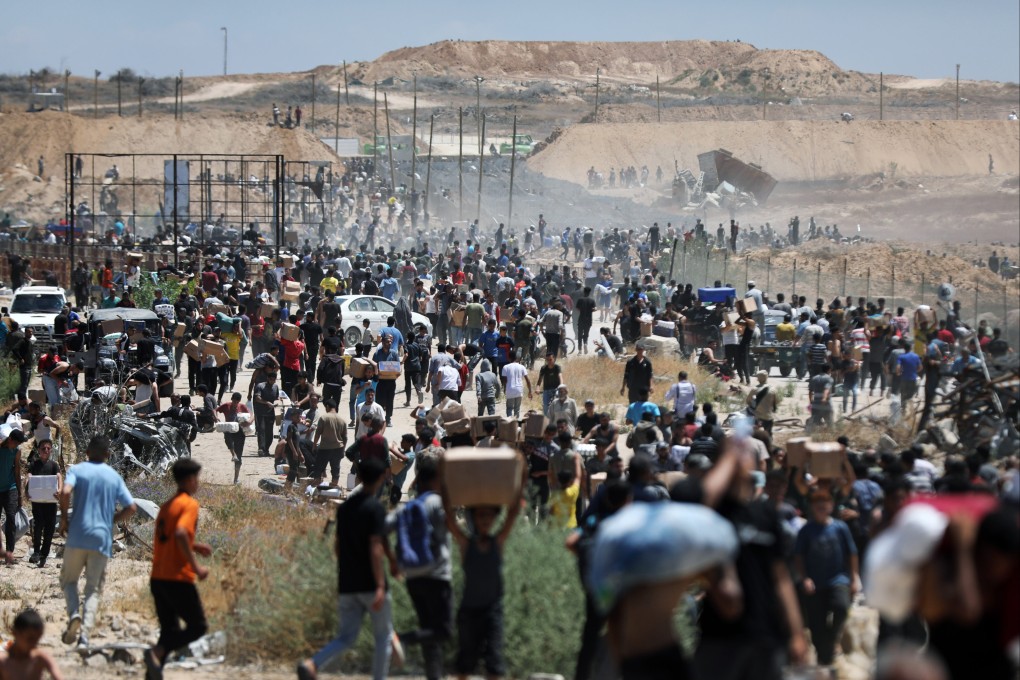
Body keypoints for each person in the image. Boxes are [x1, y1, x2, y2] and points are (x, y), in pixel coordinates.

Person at [297, 457, 397, 680]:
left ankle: (313, 664)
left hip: (348, 582)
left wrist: (345, 572)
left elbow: (338, 546)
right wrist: (380, 583)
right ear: (382, 478)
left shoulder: (345, 509)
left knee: (346, 637)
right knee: (383, 636)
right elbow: (375, 546)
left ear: (359, 477)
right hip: (370, 583)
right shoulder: (375, 509)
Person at [441, 455, 526, 680]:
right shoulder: (466, 544)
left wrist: (522, 473)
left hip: (492, 610)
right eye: (480, 516)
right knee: (464, 665)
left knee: (494, 664)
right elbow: (448, 516)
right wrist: (444, 480)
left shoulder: (498, 542)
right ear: (474, 519)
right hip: (469, 611)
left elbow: (514, 511)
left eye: (489, 516)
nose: (485, 520)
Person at [58, 435, 137, 650]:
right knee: (93, 589)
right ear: (108, 455)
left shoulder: (77, 470)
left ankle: (74, 614)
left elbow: (65, 493)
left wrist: (64, 519)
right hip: (102, 538)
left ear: (86, 453)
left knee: (68, 580)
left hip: (77, 534)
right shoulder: (114, 476)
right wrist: (113, 520)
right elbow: (131, 507)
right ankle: (84, 637)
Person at [145, 459, 211, 680]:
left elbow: (171, 537)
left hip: (158, 577)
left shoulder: (166, 506)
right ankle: (157, 652)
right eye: (197, 479)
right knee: (198, 626)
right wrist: (197, 567)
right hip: (177, 578)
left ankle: (152, 671)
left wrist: (195, 545)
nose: (197, 483)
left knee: (169, 632)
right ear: (190, 479)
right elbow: (181, 534)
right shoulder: (189, 504)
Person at [387, 457, 452, 680]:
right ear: (436, 479)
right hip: (437, 574)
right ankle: (401, 639)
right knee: (443, 630)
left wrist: (393, 561)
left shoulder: (408, 508)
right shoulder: (437, 502)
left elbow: (382, 529)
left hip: (413, 574)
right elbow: (451, 525)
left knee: (428, 628)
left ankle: (434, 676)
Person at [794, 490, 860, 668]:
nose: (822, 510)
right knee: (816, 626)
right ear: (813, 509)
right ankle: (825, 662)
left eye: (825, 506)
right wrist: (804, 578)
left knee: (841, 607)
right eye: (818, 507)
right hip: (815, 583)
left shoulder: (840, 527)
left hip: (838, 579)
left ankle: (832, 641)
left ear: (831, 507)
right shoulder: (806, 530)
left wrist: (855, 578)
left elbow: (852, 553)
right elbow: (799, 556)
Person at [0, 609, 65, 680]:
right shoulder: (4, 662)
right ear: (15, 633)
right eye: (30, 639)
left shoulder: (40, 658)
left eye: (37, 640)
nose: (33, 644)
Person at [26, 439, 61, 569]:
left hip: (51, 502)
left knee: (50, 528)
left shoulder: (53, 465)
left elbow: (59, 477)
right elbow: (29, 476)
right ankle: (36, 551)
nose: (46, 450)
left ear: (51, 450)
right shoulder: (34, 464)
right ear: (38, 450)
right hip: (37, 501)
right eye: (43, 448)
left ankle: (44, 553)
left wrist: (60, 490)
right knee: (38, 525)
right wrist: (26, 489)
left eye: (48, 448)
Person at [0, 427, 27, 566]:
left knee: (11, 519)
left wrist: (20, 494)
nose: (17, 446)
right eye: (16, 443)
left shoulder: (17, 451)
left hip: (10, 488)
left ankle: (10, 554)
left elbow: (17, 471)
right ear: (10, 439)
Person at [215, 393, 249, 485]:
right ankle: (232, 454)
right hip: (229, 429)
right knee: (228, 441)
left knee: (239, 457)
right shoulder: (226, 405)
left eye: (237, 402)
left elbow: (250, 415)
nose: (235, 403)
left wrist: (249, 422)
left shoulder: (242, 407)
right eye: (234, 401)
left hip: (239, 432)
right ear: (232, 399)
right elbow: (216, 410)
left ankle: (236, 479)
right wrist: (216, 417)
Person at [312, 399, 348, 488]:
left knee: (319, 468)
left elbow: (318, 433)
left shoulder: (324, 418)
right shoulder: (342, 420)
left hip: (325, 448)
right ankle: (334, 487)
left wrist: (314, 445)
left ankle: (317, 487)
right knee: (335, 469)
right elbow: (345, 437)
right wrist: (343, 449)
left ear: (327, 406)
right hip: (338, 448)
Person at [252, 372, 280, 458]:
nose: (272, 381)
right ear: (267, 378)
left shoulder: (276, 387)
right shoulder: (260, 386)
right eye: (270, 379)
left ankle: (266, 449)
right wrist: (267, 402)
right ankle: (261, 448)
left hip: (271, 413)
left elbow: (277, 398)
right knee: (261, 430)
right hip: (260, 412)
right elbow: (257, 398)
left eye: (274, 380)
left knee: (269, 432)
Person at [746, 370, 781, 434]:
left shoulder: (754, 389)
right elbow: (777, 402)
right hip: (768, 417)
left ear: (758, 379)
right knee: (768, 434)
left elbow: (748, 401)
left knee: (754, 434)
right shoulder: (773, 389)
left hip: (757, 416)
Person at [500, 354, 532, 418]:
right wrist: (530, 391)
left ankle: (509, 424)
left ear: (509, 358)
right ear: (516, 358)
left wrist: (504, 389)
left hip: (510, 389)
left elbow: (505, 381)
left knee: (509, 408)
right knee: (517, 409)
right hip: (519, 390)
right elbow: (528, 380)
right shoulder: (522, 367)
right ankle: (516, 425)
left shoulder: (505, 367)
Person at [808, 364, 834, 432]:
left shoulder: (814, 378)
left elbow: (810, 391)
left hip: (815, 405)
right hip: (826, 405)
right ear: (829, 370)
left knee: (814, 424)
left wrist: (811, 402)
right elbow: (826, 389)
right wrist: (824, 398)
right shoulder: (829, 379)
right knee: (830, 424)